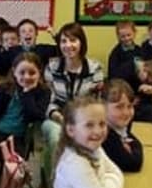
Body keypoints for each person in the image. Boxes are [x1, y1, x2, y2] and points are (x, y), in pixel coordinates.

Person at [43, 22, 105, 152]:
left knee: (91, 141)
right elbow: (48, 101)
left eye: (73, 40)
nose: (68, 45)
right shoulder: (51, 67)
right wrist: (61, 119)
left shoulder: (95, 69)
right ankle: (55, 172)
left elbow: (97, 102)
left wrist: (82, 124)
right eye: (63, 41)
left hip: (86, 119)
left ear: (81, 43)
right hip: (56, 118)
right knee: (57, 139)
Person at [0, 51, 50, 157]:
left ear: (39, 72)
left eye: (32, 73)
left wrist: (27, 93)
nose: (27, 77)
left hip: (19, 138)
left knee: (16, 166)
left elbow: (35, 116)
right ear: (14, 72)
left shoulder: (43, 92)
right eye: (22, 73)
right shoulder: (4, 89)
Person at [101, 79, 143, 172]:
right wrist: (134, 145)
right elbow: (133, 164)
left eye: (130, 106)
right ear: (103, 107)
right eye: (119, 107)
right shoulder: (105, 134)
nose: (126, 112)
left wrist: (132, 145)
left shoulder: (118, 126)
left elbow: (131, 137)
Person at [111, 58, 152, 122]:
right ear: (145, 70)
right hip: (126, 106)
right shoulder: (125, 71)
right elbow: (114, 93)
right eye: (147, 81)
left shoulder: (144, 70)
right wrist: (130, 100)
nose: (146, 83)